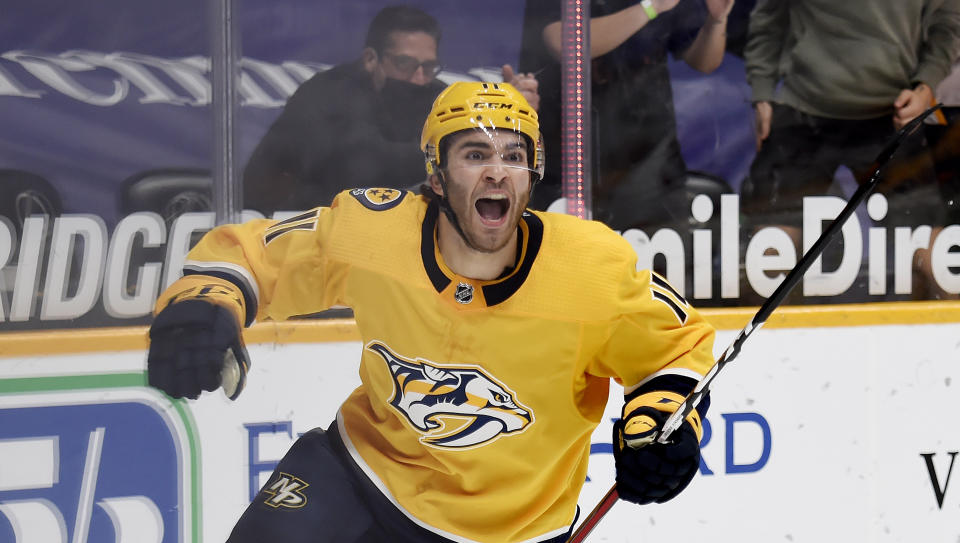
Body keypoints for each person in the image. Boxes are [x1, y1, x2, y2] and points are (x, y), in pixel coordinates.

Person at [147, 81, 716, 543]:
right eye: (475, 154)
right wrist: (209, 302)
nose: (497, 171)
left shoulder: (589, 270)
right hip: (365, 472)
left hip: (502, 529)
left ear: (531, 176)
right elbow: (260, 256)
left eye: (513, 156)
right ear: (436, 175)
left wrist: (659, 419)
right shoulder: (375, 231)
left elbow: (673, 347)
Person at [742, 0, 960, 299]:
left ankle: (944, 346)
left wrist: (927, 83)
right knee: (766, 260)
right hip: (804, 109)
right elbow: (769, 14)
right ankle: (764, 344)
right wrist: (762, 91)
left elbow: (948, 18)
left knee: (932, 261)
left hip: (894, 111)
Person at [243, 5, 540, 217]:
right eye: (405, 65)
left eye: (428, 66)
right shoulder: (326, 94)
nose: (419, 78)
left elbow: (475, 153)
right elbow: (364, 163)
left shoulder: (435, 95)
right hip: (314, 224)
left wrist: (508, 114)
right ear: (371, 59)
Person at [519, 0, 733, 232]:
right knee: (575, 254)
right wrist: (651, 7)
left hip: (651, 158)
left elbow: (704, 62)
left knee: (654, 256)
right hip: (574, 161)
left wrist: (716, 20)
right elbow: (563, 42)